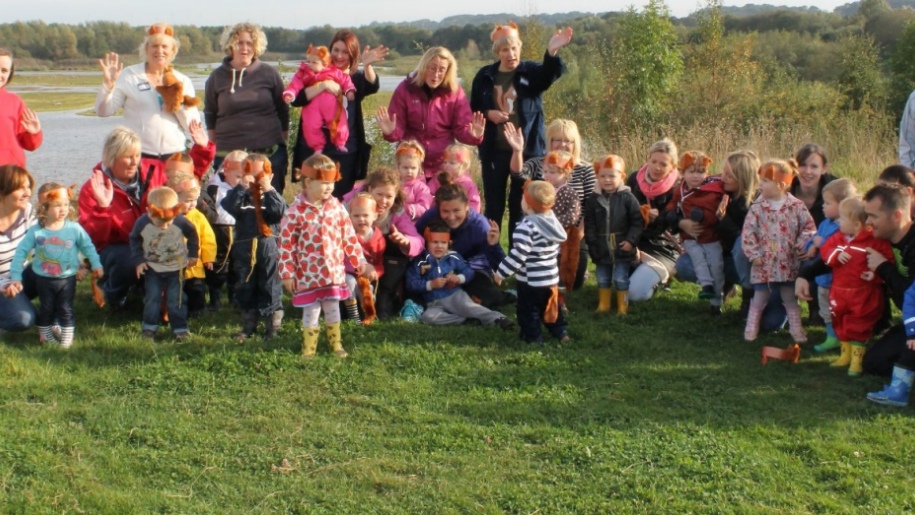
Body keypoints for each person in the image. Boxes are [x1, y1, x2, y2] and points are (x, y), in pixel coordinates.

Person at [470, 22, 572, 232]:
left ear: (520, 48)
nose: (510, 54)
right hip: (494, 151)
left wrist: (552, 51)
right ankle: (491, 254)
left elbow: (548, 75)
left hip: (528, 152)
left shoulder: (530, 71)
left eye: (514, 48)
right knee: (494, 205)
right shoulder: (485, 76)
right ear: (498, 51)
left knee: (522, 204)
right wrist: (489, 113)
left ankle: (519, 255)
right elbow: (472, 108)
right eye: (505, 49)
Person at [96, 24, 212, 185]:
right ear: (146, 49)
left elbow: (191, 126)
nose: (159, 51)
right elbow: (103, 111)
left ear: (172, 51)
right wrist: (108, 86)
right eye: (154, 46)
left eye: (165, 46)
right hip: (138, 158)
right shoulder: (130, 76)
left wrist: (175, 103)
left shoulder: (182, 80)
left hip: (174, 157)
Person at [278, 154, 366, 359]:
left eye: (331, 183)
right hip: (308, 275)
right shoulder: (294, 212)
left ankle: (336, 343)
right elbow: (285, 246)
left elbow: (349, 237)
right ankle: (309, 347)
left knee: (333, 308)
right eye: (324, 183)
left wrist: (358, 260)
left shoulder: (336, 208)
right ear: (308, 182)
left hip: (333, 272)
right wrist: (287, 273)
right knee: (311, 311)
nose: (329, 188)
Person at [291, 30, 387, 197]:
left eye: (345, 52)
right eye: (336, 50)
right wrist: (322, 86)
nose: (339, 56)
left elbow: (371, 86)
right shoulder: (314, 73)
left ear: (353, 54)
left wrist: (368, 66)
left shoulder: (354, 79)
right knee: (313, 199)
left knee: (341, 202)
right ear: (329, 51)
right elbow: (297, 99)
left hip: (345, 152)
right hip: (314, 151)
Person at [6, 183, 102, 347]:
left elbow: (87, 246)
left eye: (66, 204)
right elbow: (21, 252)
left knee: (66, 308)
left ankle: (66, 338)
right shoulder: (37, 231)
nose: (63, 209)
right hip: (43, 279)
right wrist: (16, 276)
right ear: (45, 208)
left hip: (67, 278)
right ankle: (45, 335)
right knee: (46, 307)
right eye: (57, 206)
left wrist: (95, 264)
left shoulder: (74, 228)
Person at [375, 46, 485, 179]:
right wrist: (390, 132)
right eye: (432, 68)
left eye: (442, 69)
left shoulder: (455, 92)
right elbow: (397, 129)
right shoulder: (405, 89)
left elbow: (461, 129)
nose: (436, 74)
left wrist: (473, 135)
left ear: (448, 71)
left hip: (443, 164)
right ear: (423, 66)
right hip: (412, 163)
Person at [205, 22, 290, 193]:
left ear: (256, 46)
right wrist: (215, 149)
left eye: (249, 43)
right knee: (230, 210)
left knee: (269, 209)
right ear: (230, 45)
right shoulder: (216, 77)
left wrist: (282, 147)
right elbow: (210, 115)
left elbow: (283, 111)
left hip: (269, 154)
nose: (244, 48)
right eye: (239, 43)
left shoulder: (269, 73)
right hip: (228, 155)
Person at [819, 196, 894, 376]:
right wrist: (836, 255)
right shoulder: (838, 239)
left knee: (859, 324)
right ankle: (845, 354)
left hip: (863, 294)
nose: (839, 222)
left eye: (842, 219)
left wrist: (875, 275)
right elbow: (825, 254)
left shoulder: (874, 242)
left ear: (857, 225)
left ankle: (857, 359)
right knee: (840, 320)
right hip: (839, 291)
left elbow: (888, 262)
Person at [78, 127, 153, 309]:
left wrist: (201, 149)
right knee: (127, 261)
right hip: (116, 247)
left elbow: (183, 176)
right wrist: (103, 208)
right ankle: (113, 294)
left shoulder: (151, 174)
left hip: (150, 240)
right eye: (128, 156)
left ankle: (143, 288)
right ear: (111, 157)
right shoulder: (92, 188)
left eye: (137, 155)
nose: (134, 162)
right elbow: (94, 239)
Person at [742, 159, 816, 342]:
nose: (761, 185)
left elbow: (809, 227)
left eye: (766, 181)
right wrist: (753, 255)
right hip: (764, 263)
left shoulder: (796, 206)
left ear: (781, 185)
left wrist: (803, 242)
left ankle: (796, 328)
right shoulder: (757, 208)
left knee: (790, 297)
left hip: (788, 262)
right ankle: (751, 326)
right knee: (760, 296)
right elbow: (748, 233)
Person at [416, 174, 508, 309]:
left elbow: (500, 266)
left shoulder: (480, 226)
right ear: (438, 209)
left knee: (488, 299)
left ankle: (502, 296)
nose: (451, 217)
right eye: (445, 211)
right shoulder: (431, 216)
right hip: (440, 267)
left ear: (466, 206)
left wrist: (493, 245)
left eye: (456, 210)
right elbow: (416, 238)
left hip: (472, 269)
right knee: (416, 287)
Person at [221, 154, 288, 341]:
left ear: (270, 176)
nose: (256, 178)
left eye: (261, 174)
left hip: (268, 246)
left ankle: (273, 326)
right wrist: (242, 186)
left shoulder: (272, 195)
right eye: (250, 173)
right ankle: (248, 325)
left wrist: (268, 190)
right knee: (245, 283)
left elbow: (280, 212)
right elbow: (229, 206)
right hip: (245, 246)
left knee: (270, 284)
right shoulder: (241, 195)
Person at [344, 167, 424, 319]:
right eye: (379, 194)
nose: (383, 201)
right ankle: (346, 302)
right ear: (370, 189)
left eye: (389, 196)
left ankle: (385, 297)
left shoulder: (396, 211)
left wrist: (406, 241)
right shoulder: (350, 206)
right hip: (350, 259)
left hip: (379, 261)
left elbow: (418, 241)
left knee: (395, 242)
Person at [495, 180, 568, 344]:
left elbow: (518, 255)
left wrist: (501, 272)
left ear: (527, 205)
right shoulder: (552, 221)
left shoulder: (526, 227)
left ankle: (533, 337)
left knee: (529, 311)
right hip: (551, 278)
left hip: (531, 281)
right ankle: (560, 332)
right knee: (551, 306)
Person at [406, 221, 513, 329]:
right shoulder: (420, 262)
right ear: (427, 243)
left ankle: (497, 319)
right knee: (428, 317)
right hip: (432, 302)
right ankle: (465, 321)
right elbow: (411, 282)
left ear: (449, 243)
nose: (439, 246)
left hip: (454, 296)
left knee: (470, 308)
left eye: (443, 242)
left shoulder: (453, 257)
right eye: (434, 242)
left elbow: (468, 272)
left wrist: (458, 278)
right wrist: (430, 285)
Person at [130, 186, 199, 341]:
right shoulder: (142, 223)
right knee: (152, 298)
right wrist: (139, 260)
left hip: (177, 267)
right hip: (153, 268)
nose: (164, 227)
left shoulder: (181, 221)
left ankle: (180, 328)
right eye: (159, 223)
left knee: (176, 299)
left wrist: (193, 254)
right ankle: (149, 328)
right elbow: (134, 239)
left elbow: (193, 234)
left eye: (168, 222)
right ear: (149, 211)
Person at [664, 151, 727, 312]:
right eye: (691, 172)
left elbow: (716, 215)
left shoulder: (712, 190)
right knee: (698, 259)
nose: (695, 176)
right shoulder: (680, 189)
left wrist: (703, 216)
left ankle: (717, 299)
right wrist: (672, 213)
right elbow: (673, 202)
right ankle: (706, 286)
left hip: (711, 237)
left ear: (707, 173)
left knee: (716, 266)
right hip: (690, 237)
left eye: (700, 172)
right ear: (682, 173)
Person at [584, 155, 643, 315]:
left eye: (612, 175)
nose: (607, 180)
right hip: (601, 247)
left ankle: (623, 306)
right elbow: (589, 224)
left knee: (620, 278)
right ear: (597, 176)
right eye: (602, 176)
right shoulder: (593, 199)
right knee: (602, 278)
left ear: (622, 176)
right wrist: (592, 242)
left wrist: (631, 241)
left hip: (622, 246)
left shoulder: (628, 198)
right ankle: (604, 305)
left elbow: (637, 222)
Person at [803, 178, 856, 352]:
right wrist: (810, 246)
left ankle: (846, 337)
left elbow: (839, 246)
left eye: (827, 203)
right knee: (826, 310)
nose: (823, 206)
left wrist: (821, 243)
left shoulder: (846, 228)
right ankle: (831, 336)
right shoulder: (826, 223)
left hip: (838, 281)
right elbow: (815, 239)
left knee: (841, 310)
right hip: (822, 280)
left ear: (842, 205)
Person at [626, 138, 681, 302]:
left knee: (634, 295)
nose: (657, 167)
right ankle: (643, 273)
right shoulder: (634, 179)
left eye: (664, 164)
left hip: (663, 246)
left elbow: (673, 226)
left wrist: (658, 219)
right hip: (635, 241)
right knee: (616, 284)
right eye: (654, 161)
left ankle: (660, 281)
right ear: (647, 159)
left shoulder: (678, 187)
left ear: (673, 167)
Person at [791, 143, 837, 326]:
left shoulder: (836, 191)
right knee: (772, 323)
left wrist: (814, 245)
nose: (807, 171)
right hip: (787, 251)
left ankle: (818, 309)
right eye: (802, 165)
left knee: (820, 258)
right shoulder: (783, 188)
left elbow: (846, 227)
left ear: (824, 169)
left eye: (814, 166)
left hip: (822, 252)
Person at [282, 44, 356, 154]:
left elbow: (345, 80)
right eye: (309, 62)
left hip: (330, 105)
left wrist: (350, 90)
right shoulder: (304, 73)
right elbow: (295, 84)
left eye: (314, 62)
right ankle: (317, 147)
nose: (310, 65)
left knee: (339, 121)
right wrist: (289, 94)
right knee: (310, 125)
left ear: (325, 64)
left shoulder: (333, 72)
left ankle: (340, 141)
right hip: (312, 106)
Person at [168, 172, 216, 319]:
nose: (193, 204)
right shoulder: (169, 217)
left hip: (195, 265)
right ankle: (177, 312)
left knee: (197, 289)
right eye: (188, 200)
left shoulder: (198, 216)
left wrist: (208, 258)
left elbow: (208, 238)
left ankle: (198, 310)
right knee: (177, 291)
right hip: (174, 265)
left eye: (195, 200)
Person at [205, 150, 247, 310]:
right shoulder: (215, 185)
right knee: (220, 263)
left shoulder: (244, 185)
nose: (240, 180)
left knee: (238, 263)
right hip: (221, 228)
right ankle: (214, 296)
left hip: (239, 228)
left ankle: (234, 296)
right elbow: (213, 208)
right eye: (237, 176)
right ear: (226, 170)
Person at [0, 165, 36, 332]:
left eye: (28, 187)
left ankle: (56, 317)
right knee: (23, 319)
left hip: (19, 278)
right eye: (20, 188)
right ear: (3, 191)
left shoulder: (27, 211)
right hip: (1, 285)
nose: (27, 193)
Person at [540, 151, 581, 293]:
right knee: (542, 266)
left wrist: (551, 222)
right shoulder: (540, 190)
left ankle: (559, 299)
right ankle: (542, 292)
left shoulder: (569, 193)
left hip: (562, 237)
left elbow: (573, 216)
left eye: (552, 172)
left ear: (566, 172)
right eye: (545, 171)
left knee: (560, 268)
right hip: (541, 236)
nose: (547, 175)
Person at [343, 193, 385, 324]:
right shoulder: (347, 236)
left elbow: (379, 262)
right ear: (350, 217)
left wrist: (375, 272)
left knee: (368, 291)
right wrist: (357, 268)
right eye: (356, 216)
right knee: (349, 283)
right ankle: (353, 315)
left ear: (375, 215)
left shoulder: (378, 239)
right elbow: (343, 258)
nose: (361, 219)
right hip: (348, 272)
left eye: (365, 215)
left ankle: (367, 313)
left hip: (366, 276)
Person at [0, 48, 42, 167]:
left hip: (12, 175)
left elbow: (30, 145)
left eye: (4, 70)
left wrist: (33, 133)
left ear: (10, 73)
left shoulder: (15, 102)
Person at [428, 144, 482, 214]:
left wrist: (467, 215)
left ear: (463, 165)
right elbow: (428, 195)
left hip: (461, 218)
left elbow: (474, 203)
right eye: (445, 162)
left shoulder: (468, 184)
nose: (446, 165)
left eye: (452, 163)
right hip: (439, 215)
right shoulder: (438, 179)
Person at [394, 140, 433, 221]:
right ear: (398, 167)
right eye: (405, 167)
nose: (409, 171)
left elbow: (425, 206)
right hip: (392, 219)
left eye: (413, 168)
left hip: (413, 222)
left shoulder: (421, 187)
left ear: (419, 168)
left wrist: (408, 209)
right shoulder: (393, 184)